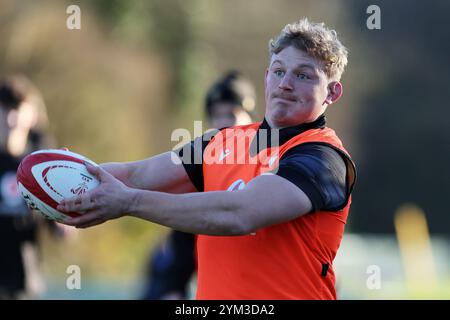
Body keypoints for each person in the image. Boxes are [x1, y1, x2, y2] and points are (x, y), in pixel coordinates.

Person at [60, 18, 357, 299]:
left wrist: (128, 202)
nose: (285, 84)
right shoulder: (220, 141)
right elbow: (134, 175)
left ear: (332, 92)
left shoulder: (324, 158)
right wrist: (60, 181)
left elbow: (239, 214)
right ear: (267, 77)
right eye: (279, 71)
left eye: (303, 75)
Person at [141, 71, 255, 300]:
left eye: (232, 114)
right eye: (216, 115)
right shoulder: (204, 168)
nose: (224, 123)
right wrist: (172, 288)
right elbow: (184, 234)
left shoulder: (268, 162)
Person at [0, 75, 61, 299]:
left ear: (32, 115)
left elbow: (57, 219)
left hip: (25, 282)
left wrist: (64, 225)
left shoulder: (42, 167)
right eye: (6, 109)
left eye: (17, 109)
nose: (11, 118)